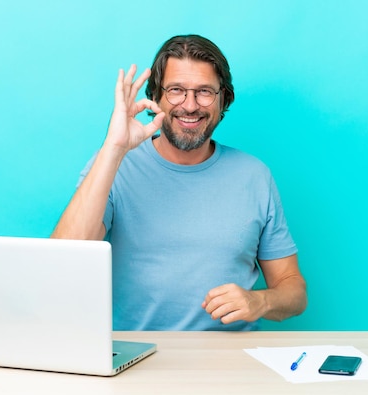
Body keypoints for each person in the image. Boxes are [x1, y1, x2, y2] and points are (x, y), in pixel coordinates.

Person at [52, 34, 307, 330]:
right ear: (155, 96)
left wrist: (259, 302)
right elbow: (63, 262)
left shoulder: (254, 176)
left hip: (232, 361)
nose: (190, 105)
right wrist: (114, 148)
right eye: (176, 90)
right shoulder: (114, 165)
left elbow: (294, 292)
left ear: (223, 98)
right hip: (137, 359)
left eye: (204, 92)